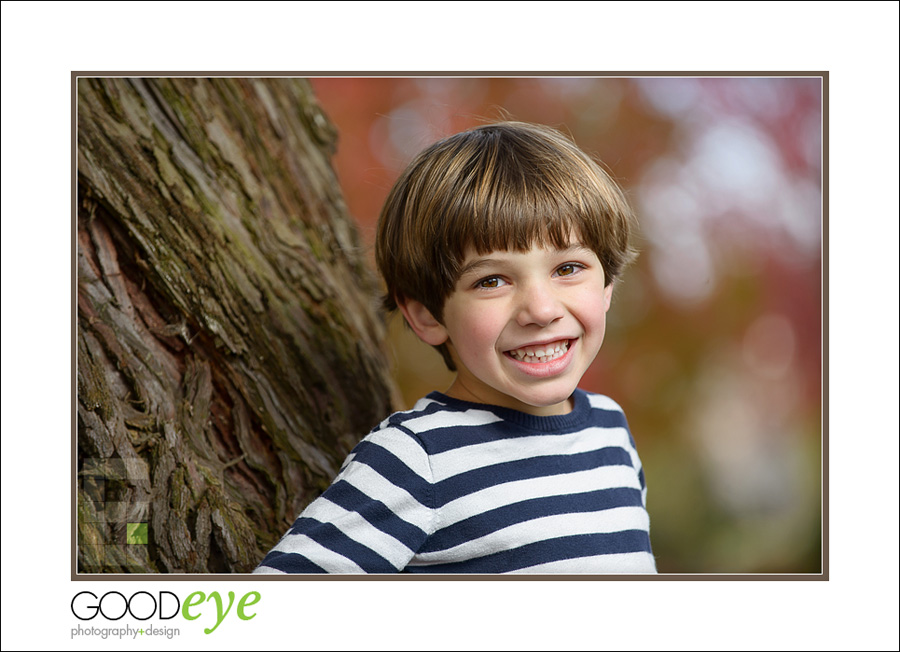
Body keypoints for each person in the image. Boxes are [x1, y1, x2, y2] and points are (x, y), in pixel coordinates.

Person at [254, 121, 656, 574]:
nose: (541, 310)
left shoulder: (611, 431)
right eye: (492, 280)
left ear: (607, 285)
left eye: (568, 268)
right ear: (428, 315)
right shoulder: (416, 459)